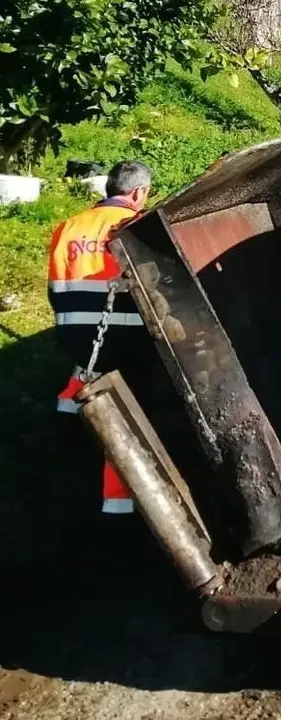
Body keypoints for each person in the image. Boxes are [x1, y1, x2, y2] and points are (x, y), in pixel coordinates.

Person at [48, 160, 153, 515]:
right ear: (138, 193)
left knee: (83, 373)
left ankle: (65, 428)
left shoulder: (68, 227)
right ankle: (120, 502)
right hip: (125, 336)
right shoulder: (137, 226)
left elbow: (55, 287)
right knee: (129, 412)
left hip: (75, 332)